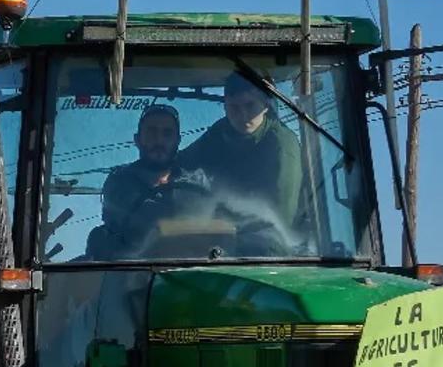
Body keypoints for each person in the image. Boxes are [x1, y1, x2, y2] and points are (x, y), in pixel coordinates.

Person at [177, 70, 303, 234]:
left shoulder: (283, 145)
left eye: (250, 105)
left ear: (265, 105)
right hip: (224, 231)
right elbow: (181, 162)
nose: (242, 115)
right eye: (234, 107)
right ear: (225, 107)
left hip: (266, 237)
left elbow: (282, 218)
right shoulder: (220, 131)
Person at [87, 104, 183, 259]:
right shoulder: (119, 185)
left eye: (167, 133)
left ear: (177, 140)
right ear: (137, 140)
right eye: (151, 132)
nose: (159, 140)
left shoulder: (196, 184)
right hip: (132, 275)